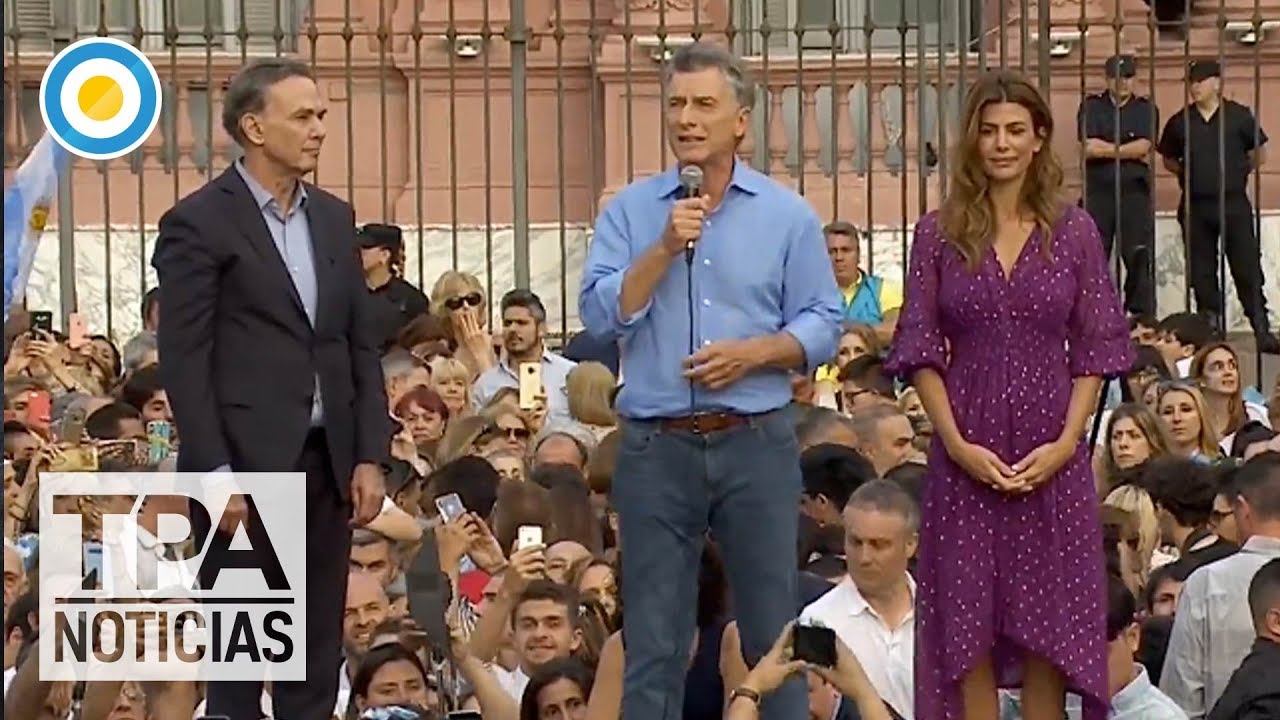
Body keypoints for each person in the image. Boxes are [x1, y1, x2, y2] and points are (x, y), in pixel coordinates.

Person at [578, 41, 841, 720]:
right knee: (654, 638)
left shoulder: (787, 216)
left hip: (755, 439)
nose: (686, 119)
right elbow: (602, 314)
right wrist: (663, 247)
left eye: (703, 104)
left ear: (740, 121)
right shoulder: (631, 212)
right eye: (676, 104)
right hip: (654, 446)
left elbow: (823, 322)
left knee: (772, 630)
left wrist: (756, 354)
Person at [884, 70, 1133, 720]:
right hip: (965, 457)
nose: (1000, 144)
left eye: (1014, 131)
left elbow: (1099, 348)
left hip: (1053, 456)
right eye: (989, 131)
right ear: (972, 141)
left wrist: (1067, 443)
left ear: (1038, 138)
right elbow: (918, 349)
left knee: (1050, 629)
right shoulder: (936, 234)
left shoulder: (1074, 232)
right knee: (968, 634)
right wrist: (957, 444)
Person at [151, 57, 391, 720]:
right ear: (254, 127)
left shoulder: (336, 219)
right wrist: (215, 470)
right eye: (303, 116)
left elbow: (355, 344)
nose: (318, 130)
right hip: (244, 473)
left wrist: (370, 451)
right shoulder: (198, 224)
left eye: (322, 116)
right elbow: (185, 359)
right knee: (243, 659)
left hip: (327, 466)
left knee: (315, 661)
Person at [1156, 60, 1278, 354]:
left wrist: (1235, 173)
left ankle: (1261, 329)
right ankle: (1211, 330)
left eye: (1201, 80)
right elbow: (1168, 158)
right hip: (1196, 205)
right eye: (1192, 81)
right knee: (1202, 272)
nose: (1195, 86)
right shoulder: (1180, 120)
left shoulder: (1237, 116)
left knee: (1246, 266)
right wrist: (1190, 175)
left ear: (1217, 83)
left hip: (1233, 202)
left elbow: (1258, 153)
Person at [1077, 53, 1158, 317]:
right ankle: (1095, 311)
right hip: (1098, 191)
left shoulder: (1145, 109)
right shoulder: (1091, 106)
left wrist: (1108, 148)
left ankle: (1137, 314)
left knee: (1138, 253)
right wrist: (1125, 149)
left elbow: (1145, 147)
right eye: (1116, 77)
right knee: (1094, 254)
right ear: (1107, 79)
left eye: (1127, 77)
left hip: (1133, 191)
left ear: (1135, 80)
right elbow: (1089, 148)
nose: (1122, 83)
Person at [824, 220, 901, 341]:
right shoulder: (813, 294)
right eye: (832, 251)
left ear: (858, 254)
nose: (839, 258)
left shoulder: (883, 289)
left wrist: (841, 329)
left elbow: (894, 331)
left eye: (846, 250)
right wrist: (870, 331)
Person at [358, 222, 429, 351]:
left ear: (384, 255)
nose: (359, 252)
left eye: (365, 248)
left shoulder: (411, 300)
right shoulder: (349, 294)